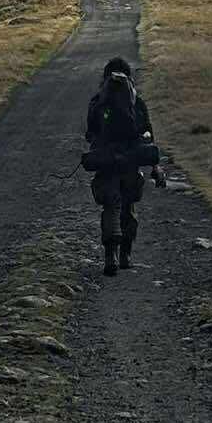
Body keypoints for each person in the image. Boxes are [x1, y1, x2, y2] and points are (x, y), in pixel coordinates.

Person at [85, 59, 155, 277]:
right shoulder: (137, 102)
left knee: (110, 207)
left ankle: (110, 256)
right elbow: (147, 132)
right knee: (128, 208)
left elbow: (91, 132)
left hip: (106, 162)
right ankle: (126, 255)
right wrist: (155, 166)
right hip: (131, 162)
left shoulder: (98, 101)